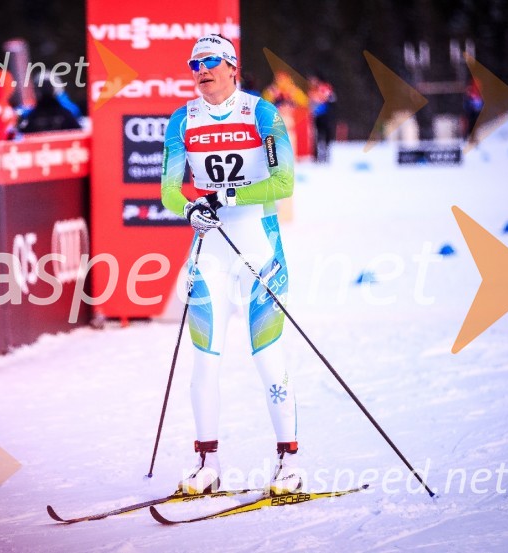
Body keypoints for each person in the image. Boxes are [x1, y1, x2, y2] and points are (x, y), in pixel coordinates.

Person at [161, 34, 298, 496]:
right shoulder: (182, 120)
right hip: (212, 249)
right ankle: (208, 463)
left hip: (259, 246)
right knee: (204, 359)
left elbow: (283, 182)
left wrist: (226, 195)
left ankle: (289, 462)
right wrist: (191, 208)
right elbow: (168, 188)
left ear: (232, 66)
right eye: (194, 63)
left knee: (267, 355)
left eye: (211, 61)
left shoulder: (261, 113)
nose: (201, 70)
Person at [308, 73, 336, 163]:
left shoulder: (324, 87)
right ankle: (317, 156)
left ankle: (325, 155)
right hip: (316, 117)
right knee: (316, 136)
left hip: (325, 116)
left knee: (325, 135)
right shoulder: (312, 90)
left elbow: (331, 98)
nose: (312, 82)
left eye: (313, 79)